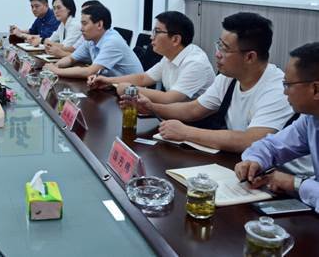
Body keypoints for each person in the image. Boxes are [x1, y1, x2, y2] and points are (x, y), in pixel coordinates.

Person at [139, 12, 295, 153]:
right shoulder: (228, 77)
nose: (217, 54)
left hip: (279, 172)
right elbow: (194, 109)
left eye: (224, 49)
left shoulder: (277, 89)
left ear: (250, 57)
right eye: (219, 45)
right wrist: (152, 108)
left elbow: (250, 141)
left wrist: (185, 132)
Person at [235, 42, 319, 211]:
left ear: (315, 89)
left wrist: (295, 183)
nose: (284, 92)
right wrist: (255, 161)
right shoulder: (310, 118)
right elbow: (272, 145)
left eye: (288, 85)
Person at [88, 11, 215, 103]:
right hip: (174, 115)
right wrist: (107, 81)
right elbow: (144, 78)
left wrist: (130, 89)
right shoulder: (170, 56)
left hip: (196, 124)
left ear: (175, 39)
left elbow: (170, 98)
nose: (151, 37)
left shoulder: (195, 63)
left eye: (157, 32)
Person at [44, 4, 143, 79]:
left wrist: (56, 71)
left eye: (85, 24)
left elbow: (90, 71)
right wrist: (55, 66)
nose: (81, 29)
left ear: (99, 25)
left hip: (133, 91)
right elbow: (71, 58)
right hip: (111, 85)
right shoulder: (91, 39)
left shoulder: (112, 42)